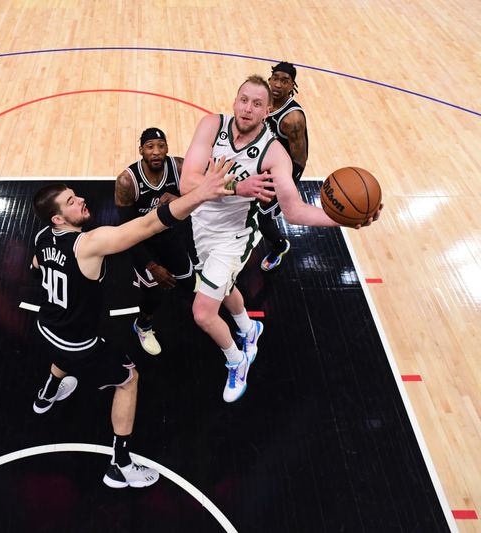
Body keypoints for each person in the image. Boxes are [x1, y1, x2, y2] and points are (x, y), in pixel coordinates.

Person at [30, 156, 242, 488]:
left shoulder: (43, 235)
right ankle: (120, 465)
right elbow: (147, 226)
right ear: (59, 217)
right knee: (128, 378)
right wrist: (201, 193)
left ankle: (46, 395)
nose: (82, 199)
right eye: (72, 201)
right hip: (78, 343)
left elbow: (36, 264)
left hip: (47, 328)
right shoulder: (87, 245)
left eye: (75, 194)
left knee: (63, 353)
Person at [180, 74, 381, 403]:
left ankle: (237, 360)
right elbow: (189, 183)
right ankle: (248, 328)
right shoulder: (210, 125)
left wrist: (345, 220)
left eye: (257, 104)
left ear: (268, 110)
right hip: (201, 226)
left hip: (235, 236)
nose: (247, 108)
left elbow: (295, 211)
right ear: (234, 101)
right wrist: (238, 187)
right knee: (223, 286)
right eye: (243, 100)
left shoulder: (274, 155)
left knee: (203, 312)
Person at [114, 127, 195, 355]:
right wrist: (152, 266)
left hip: (170, 236)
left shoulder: (179, 167)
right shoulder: (126, 182)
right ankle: (143, 326)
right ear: (141, 150)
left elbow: (206, 192)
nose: (156, 152)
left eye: (161, 146)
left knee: (188, 280)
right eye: (150, 147)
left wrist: (181, 199)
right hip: (143, 242)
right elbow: (127, 232)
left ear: (167, 148)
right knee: (154, 294)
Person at [258, 61, 309, 271]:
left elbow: (300, 159)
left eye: (285, 81)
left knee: (263, 217)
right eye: (275, 78)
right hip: (265, 163)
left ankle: (279, 246)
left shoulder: (292, 119)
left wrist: (285, 187)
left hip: (283, 172)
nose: (278, 84)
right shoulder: (264, 100)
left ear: (292, 86)